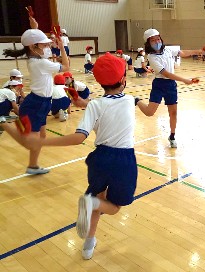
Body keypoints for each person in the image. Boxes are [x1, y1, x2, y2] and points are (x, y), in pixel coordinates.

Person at [22, 52, 136, 260]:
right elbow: (113, 104)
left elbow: (79, 137)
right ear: (123, 80)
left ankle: (88, 243)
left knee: (97, 196)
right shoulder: (129, 100)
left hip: (99, 159)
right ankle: (90, 206)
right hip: (123, 160)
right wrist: (84, 103)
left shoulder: (95, 105)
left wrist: (42, 141)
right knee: (114, 207)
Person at [1, 28, 70, 174]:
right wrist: (62, 47)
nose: (47, 48)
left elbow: (34, 37)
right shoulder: (40, 63)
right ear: (33, 47)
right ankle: (3, 123)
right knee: (30, 143)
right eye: (44, 45)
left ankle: (32, 166)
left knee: (41, 137)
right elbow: (66, 66)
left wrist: (35, 25)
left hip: (43, 103)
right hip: (35, 105)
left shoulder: (36, 60)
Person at [135, 28, 204, 148]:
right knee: (150, 112)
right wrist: (184, 80)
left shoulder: (167, 50)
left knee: (173, 112)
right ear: (148, 43)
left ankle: (172, 136)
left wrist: (197, 51)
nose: (157, 42)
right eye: (153, 40)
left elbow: (182, 53)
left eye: (158, 39)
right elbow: (166, 74)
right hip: (159, 84)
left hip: (171, 85)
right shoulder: (152, 57)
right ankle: (136, 100)